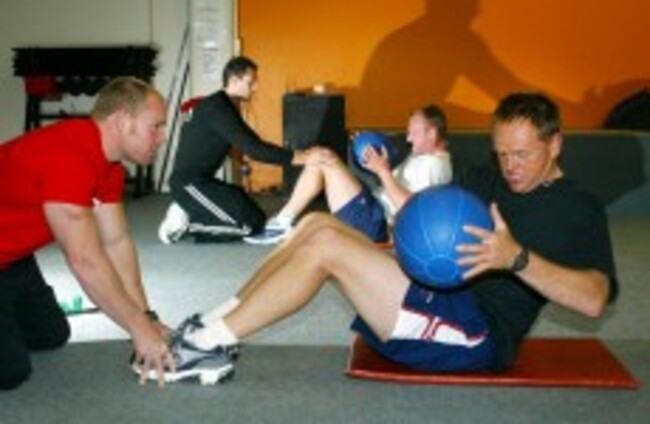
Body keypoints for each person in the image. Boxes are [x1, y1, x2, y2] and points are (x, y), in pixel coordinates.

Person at [138, 92, 617, 384]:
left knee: (326, 248)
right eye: (502, 153)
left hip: (474, 333)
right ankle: (210, 326)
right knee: (318, 226)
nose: (510, 166)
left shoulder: (579, 208)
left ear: (555, 144)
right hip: (433, 293)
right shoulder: (487, 178)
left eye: (522, 154)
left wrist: (516, 259)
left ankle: (205, 347)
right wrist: (385, 188)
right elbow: (426, 220)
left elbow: (595, 299)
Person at [0, 77, 175, 390]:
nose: (162, 137)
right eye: (156, 126)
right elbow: (84, 260)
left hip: (12, 257)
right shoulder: (67, 154)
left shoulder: (110, 167)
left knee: (50, 334)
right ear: (122, 121)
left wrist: (144, 317)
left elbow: (116, 242)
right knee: (10, 371)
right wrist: (138, 328)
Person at [158, 56, 324, 244]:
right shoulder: (217, 108)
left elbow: (231, 139)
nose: (255, 87)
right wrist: (303, 157)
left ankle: (192, 208)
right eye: (250, 82)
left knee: (257, 218)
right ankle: (188, 219)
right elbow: (255, 149)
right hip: (189, 184)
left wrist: (238, 159)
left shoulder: (227, 105)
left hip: (206, 182)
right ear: (234, 80)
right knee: (246, 227)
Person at [243, 104, 452, 245]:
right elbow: (395, 185)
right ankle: (283, 222)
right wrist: (376, 159)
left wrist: (383, 170)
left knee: (324, 156)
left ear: (432, 133)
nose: (408, 139)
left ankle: (282, 224)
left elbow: (414, 210)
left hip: (376, 223)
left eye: (413, 133)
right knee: (319, 158)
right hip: (372, 209)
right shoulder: (422, 157)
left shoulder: (434, 165)